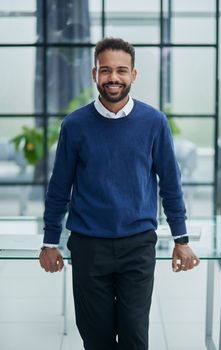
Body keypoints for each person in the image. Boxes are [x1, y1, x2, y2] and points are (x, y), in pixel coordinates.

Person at [39, 37, 200, 350]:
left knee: (134, 337)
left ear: (134, 75)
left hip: (137, 246)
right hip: (88, 247)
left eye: (121, 71)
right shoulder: (75, 125)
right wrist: (49, 241)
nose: (113, 77)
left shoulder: (154, 123)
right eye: (106, 70)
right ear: (94, 73)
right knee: (95, 338)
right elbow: (59, 188)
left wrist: (181, 240)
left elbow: (170, 183)